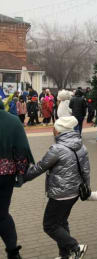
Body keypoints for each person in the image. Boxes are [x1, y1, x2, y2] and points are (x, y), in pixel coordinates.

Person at [24, 116, 90, 259]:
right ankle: (65, 255)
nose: (52, 130)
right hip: (75, 192)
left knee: (49, 225)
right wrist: (86, 188)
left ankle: (75, 247)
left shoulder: (57, 149)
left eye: (54, 128)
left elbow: (40, 167)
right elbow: (86, 170)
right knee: (61, 222)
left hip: (60, 194)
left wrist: (22, 178)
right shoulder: (81, 146)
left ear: (59, 131)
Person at [0, 99, 34, 259]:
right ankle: (13, 252)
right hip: (5, 175)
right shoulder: (13, 121)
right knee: (2, 214)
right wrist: (20, 173)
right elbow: (22, 149)